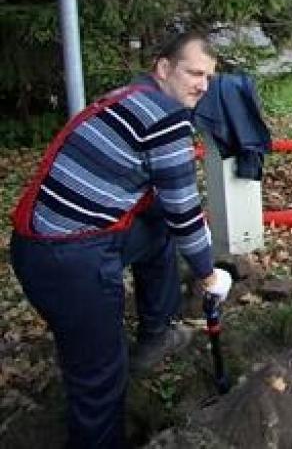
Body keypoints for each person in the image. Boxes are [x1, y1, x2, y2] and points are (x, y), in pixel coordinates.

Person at [9, 31, 233, 448]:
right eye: (194, 72)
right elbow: (185, 212)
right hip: (68, 260)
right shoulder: (166, 120)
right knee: (99, 382)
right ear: (164, 69)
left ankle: (155, 334)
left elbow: (168, 212)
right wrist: (208, 274)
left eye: (209, 76)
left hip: (45, 244)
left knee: (156, 229)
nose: (203, 84)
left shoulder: (129, 97)